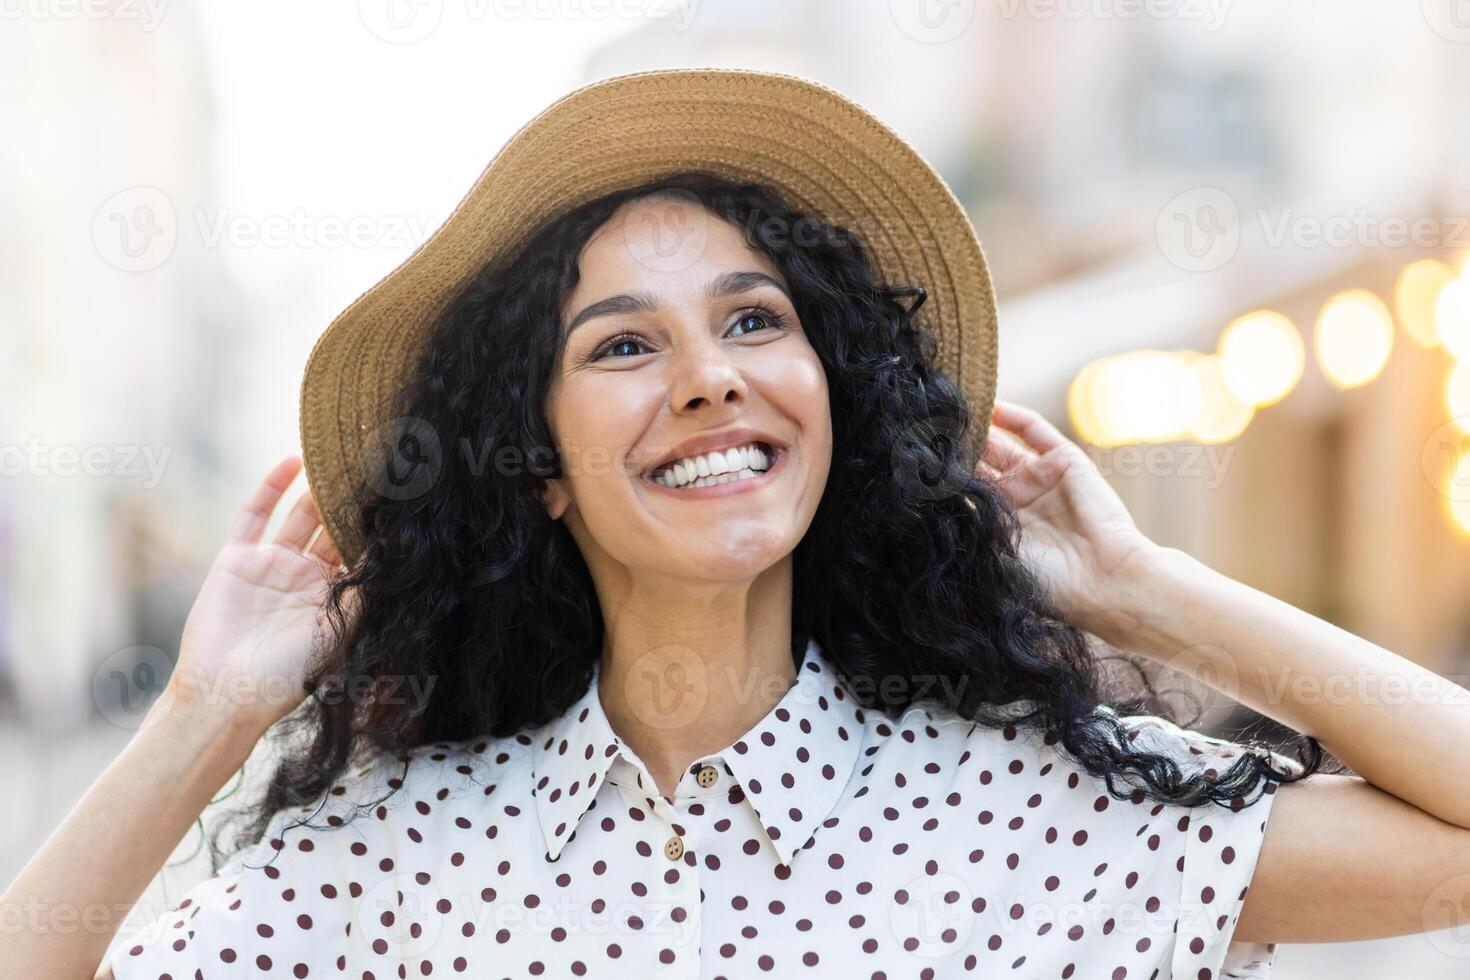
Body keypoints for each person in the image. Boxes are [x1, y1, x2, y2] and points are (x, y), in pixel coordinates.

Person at [7, 69, 1470, 980]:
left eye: (754, 321)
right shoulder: (394, 858)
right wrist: (205, 710)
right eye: (624, 347)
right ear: (542, 467)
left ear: (826, 399)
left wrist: (1146, 591)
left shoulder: (1040, 820)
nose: (710, 377)